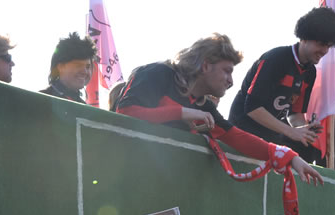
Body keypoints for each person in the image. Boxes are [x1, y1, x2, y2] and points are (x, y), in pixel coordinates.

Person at [114, 33, 322, 186]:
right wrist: (183, 112)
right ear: (205, 66)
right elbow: (124, 113)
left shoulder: (202, 105)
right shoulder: (158, 72)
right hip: (122, 178)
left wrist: (290, 156)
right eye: (227, 71)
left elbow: (235, 136)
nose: (231, 81)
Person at [230, 7, 335, 163]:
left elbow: (295, 115)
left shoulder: (310, 72)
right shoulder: (275, 59)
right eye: (321, 44)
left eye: (328, 46)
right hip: (242, 129)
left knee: (306, 149)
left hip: (270, 134)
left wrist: (304, 130)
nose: (324, 51)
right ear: (304, 38)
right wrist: (290, 131)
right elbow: (252, 108)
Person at [40, 33, 98, 104]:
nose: (85, 71)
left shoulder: (85, 108)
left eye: (88, 67)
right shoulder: (39, 100)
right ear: (60, 67)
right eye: (78, 65)